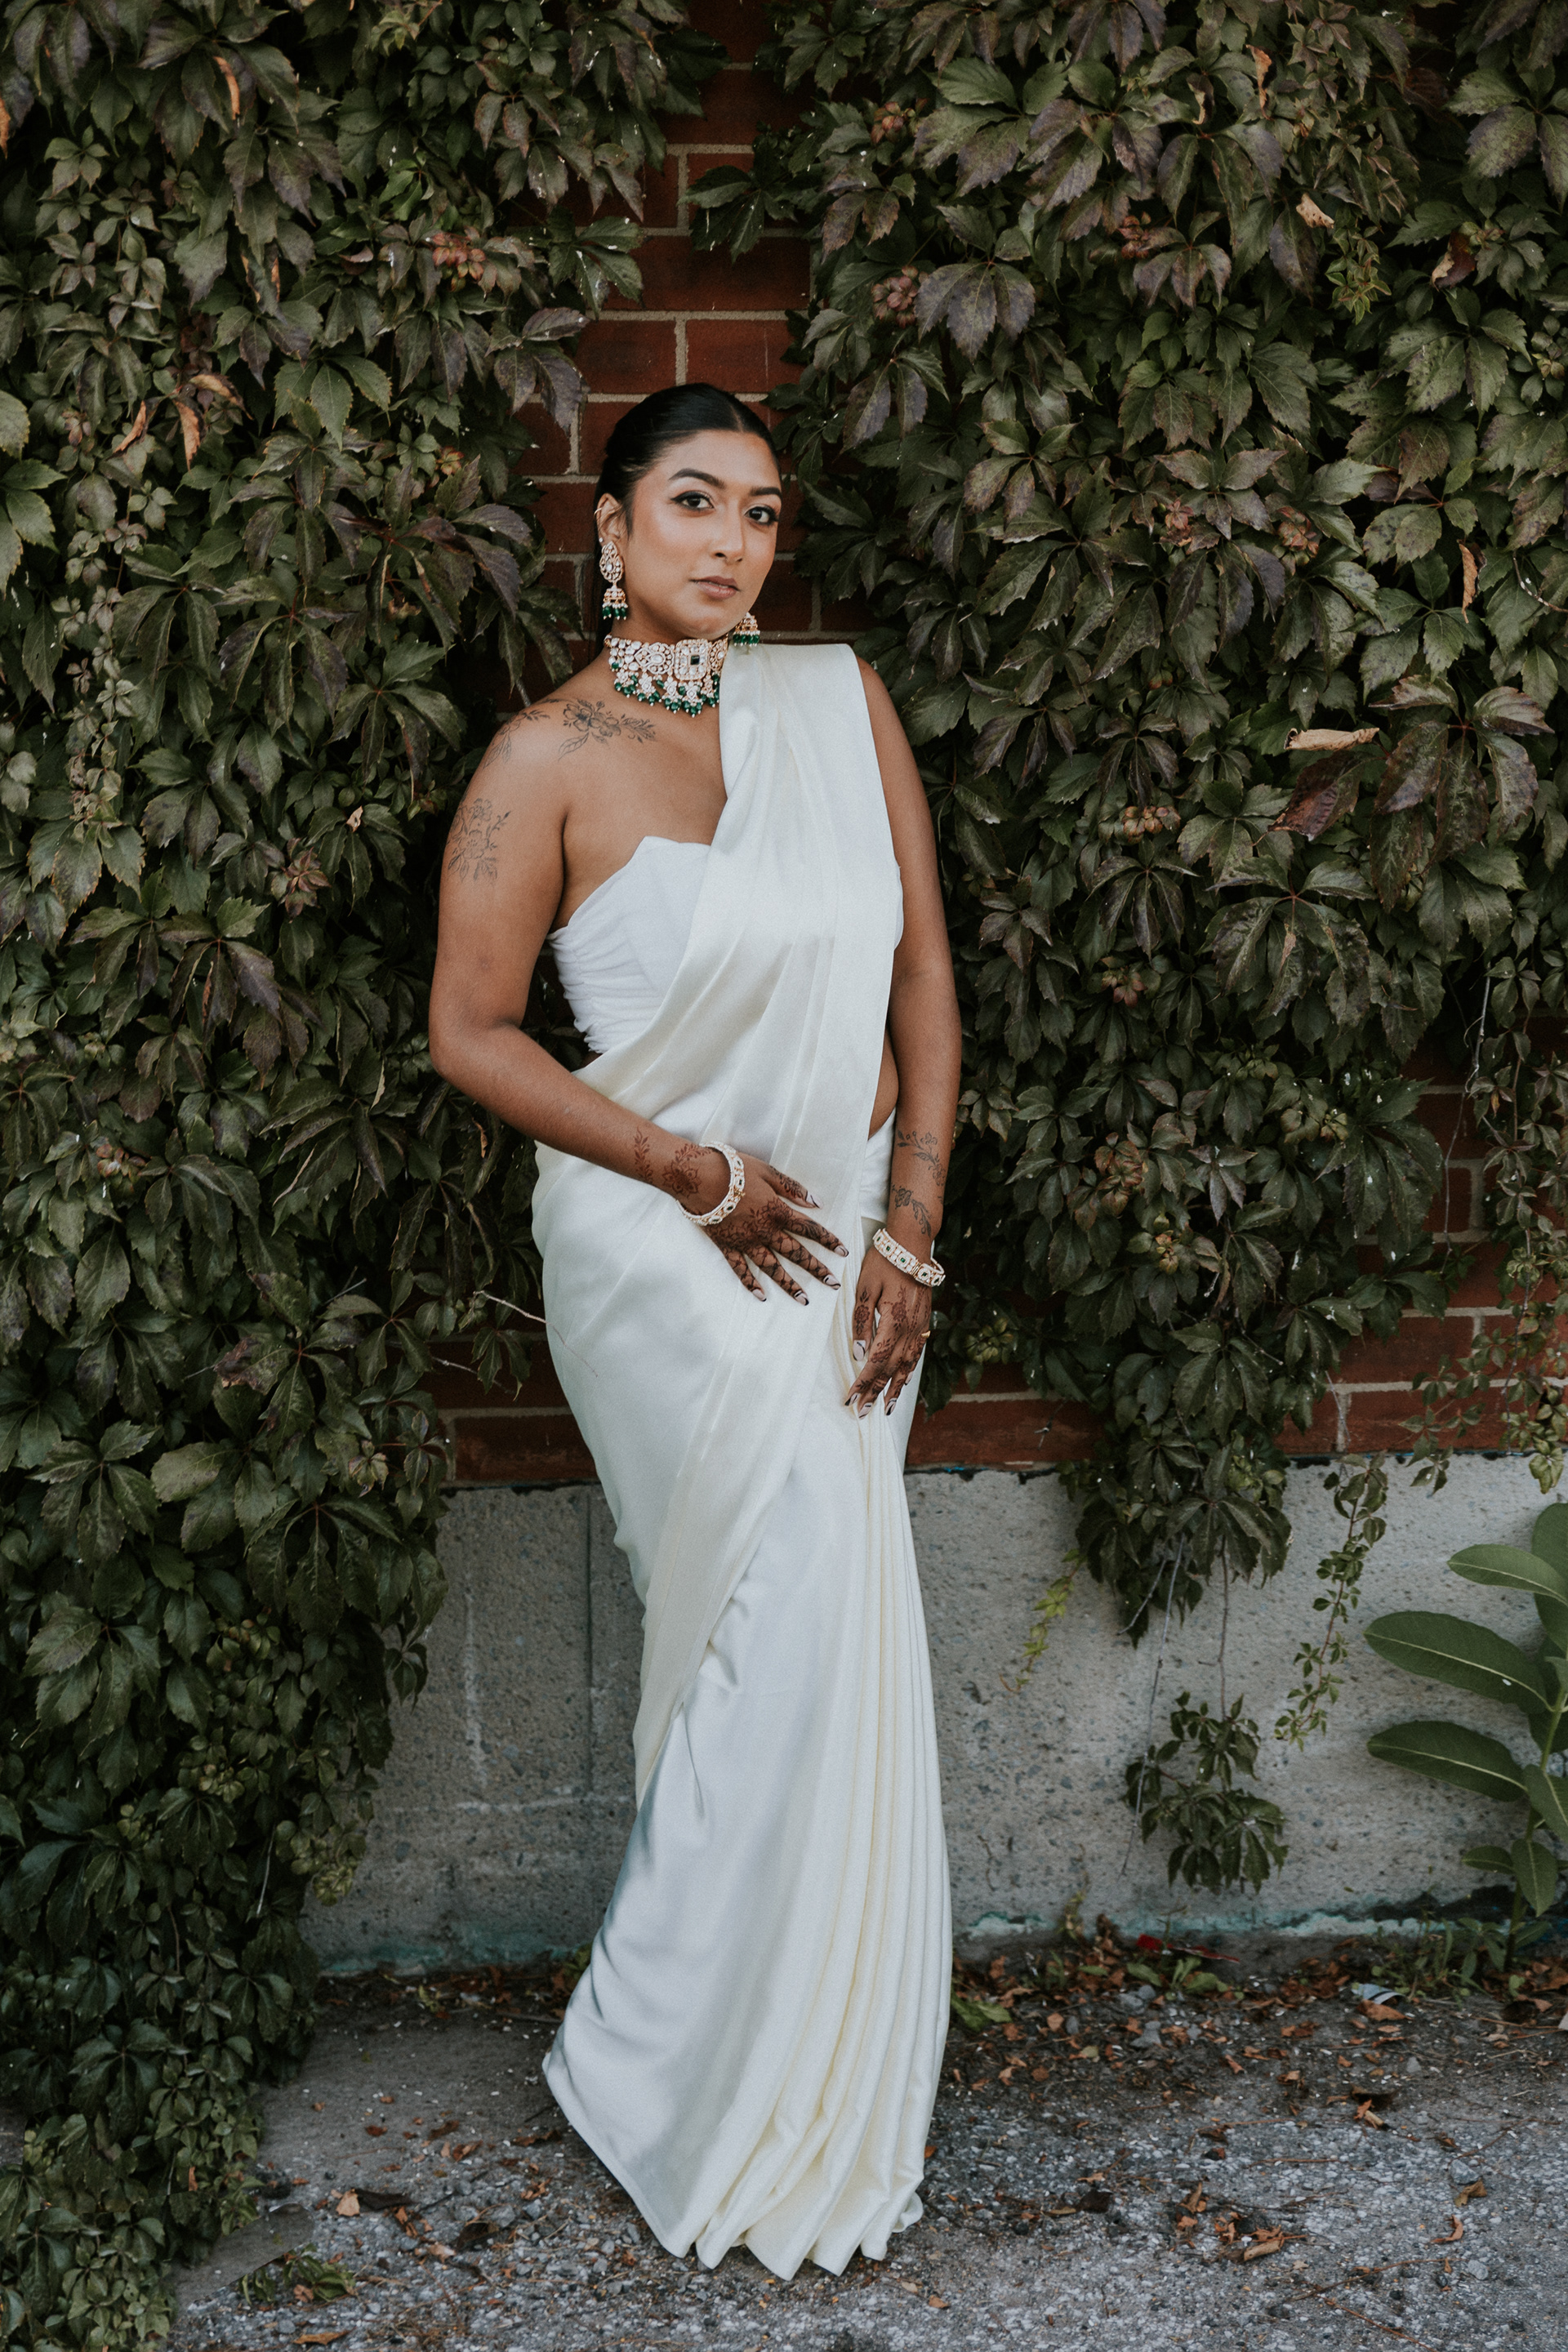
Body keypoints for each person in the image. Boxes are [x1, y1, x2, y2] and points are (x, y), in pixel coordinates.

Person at [428, 382, 961, 2281]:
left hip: (846, 1235)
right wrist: (687, 1168)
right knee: (757, 1624)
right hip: (662, 1249)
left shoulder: (837, 703)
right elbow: (469, 1032)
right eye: (695, 503)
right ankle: (672, 2072)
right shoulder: (541, 761)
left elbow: (924, 972)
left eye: (762, 512)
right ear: (612, 526)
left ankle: (744, 2061)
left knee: (810, 1642)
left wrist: (914, 1229)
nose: (734, 542)